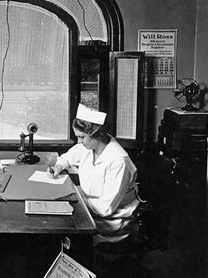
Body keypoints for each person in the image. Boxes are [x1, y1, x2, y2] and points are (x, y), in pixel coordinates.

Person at [47, 104, 140, 243]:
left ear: (97, 134)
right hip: (90, 210)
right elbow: (66, 157)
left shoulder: (118, 161)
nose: (78, 141)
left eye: (82, 137)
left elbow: (105, 208)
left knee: (60, 231)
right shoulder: (87, 147)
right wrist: (58, 167)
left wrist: (78, 198)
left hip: (111, 222)